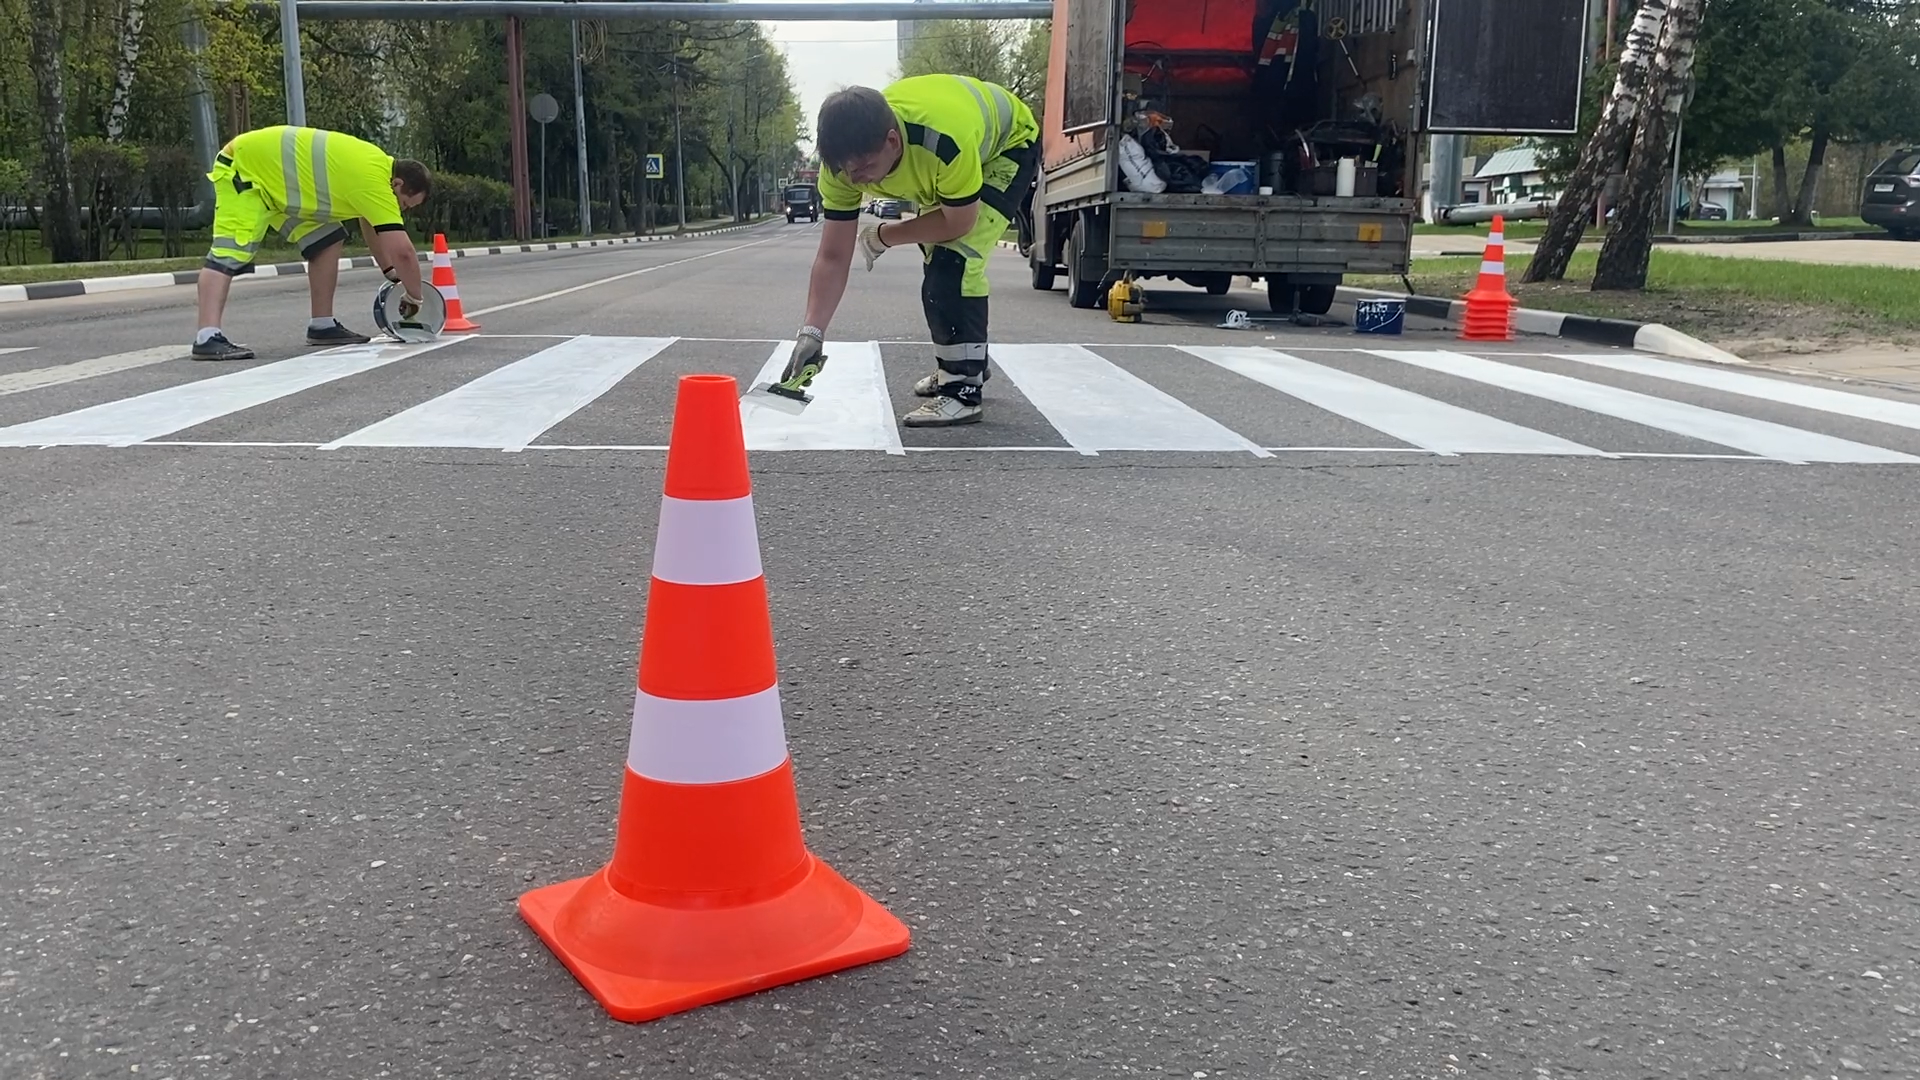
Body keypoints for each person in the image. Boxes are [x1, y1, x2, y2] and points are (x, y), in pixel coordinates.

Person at [782, 75, 1039, 427]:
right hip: (954, 148)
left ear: (892, 140)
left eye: (866, 168)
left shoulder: (943, 142)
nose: (857, 181)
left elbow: (959, 223)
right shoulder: (842, 169)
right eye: (848, 172)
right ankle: (965, 365)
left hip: (1007, 146)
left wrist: (886, 235)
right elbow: (833, 256)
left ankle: (962, 390)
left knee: (953, 264)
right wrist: (811, 332)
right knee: (936, 259)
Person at [191, 125, 433, 361]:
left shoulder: (377, 167)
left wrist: (390, 272)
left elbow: (370, 224)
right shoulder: (375, 183)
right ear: (398, 184)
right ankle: (207, 336)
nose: (401, 210)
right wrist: (415, 298)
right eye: (404, 204)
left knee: (326, 239)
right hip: (246, 170)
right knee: (230, 250)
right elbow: (403, 252)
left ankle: (322, 325)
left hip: (280, 184)